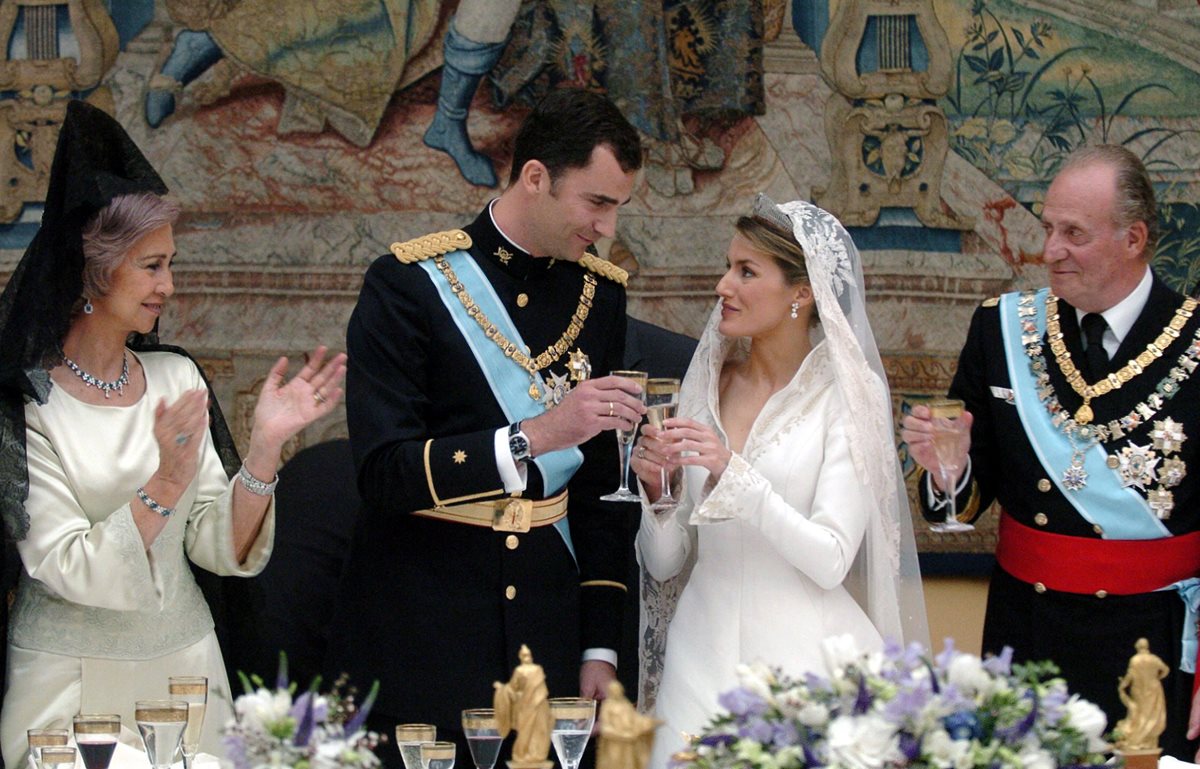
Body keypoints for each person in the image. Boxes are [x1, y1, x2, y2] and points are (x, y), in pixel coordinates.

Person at [0, 100, 346, 766]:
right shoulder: (27, 402)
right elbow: (65, 561)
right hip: (68, 688)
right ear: (96, 271)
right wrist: (162, 482)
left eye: (170, 263)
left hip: (189, 677)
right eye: (151, 265)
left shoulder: (175, 377)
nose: (170, 285)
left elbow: (218, 544)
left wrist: (267, 448)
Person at [327, 86, 645, 767]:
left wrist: (599, 643)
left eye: (618, 206)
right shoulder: (406, 284)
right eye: (597, 202)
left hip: (550, 634)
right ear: (535, 177)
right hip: (424, 630)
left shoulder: (600, 295)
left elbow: (598, 491)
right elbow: (382, 472)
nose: (608, 227)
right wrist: (531, 437)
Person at [901, 144, 1200, 759]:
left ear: (1134, 238)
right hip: (1029, 633)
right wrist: (946, 471)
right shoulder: (1001, 329)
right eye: (1047, 227)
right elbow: (959, 499)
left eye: (1074, 233)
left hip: (1156, 647)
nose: (1049, 250)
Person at [632, 195, 927, 767]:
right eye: (727, 266)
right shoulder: (704, 384)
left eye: (746, 272)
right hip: (698, 656)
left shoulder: (847, 395)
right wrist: (657, 496)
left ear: (802, 291)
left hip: (802, 664)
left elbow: (832, 558)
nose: (723, 285)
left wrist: (732, 473)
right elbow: (666, 564)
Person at [493, 644, 552, 765]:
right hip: (525, 706)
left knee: (540, 730)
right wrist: (502, 689)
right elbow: (513, 687)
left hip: (540, 704)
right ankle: (522, 753)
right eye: (524, 655)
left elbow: (543, 689)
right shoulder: (519, 671)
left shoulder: (538, 669)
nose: (527, 657)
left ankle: (536, 754)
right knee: (525, 730)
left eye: (528, 655)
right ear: (520, 657)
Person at [1116, 638, 1170, 751]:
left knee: (1139, 714)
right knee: (1151, 715)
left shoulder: (1135, 660)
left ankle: (1137, 741)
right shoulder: (1154, 659)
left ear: (1137, 647)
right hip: (1154, 689)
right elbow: (1165, 670)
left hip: (1139, 690)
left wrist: (1123, 685)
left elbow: (1130, 675)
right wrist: (1157, 679)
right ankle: (1143, 741)